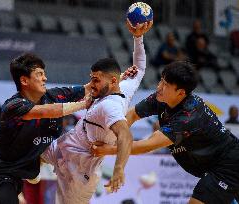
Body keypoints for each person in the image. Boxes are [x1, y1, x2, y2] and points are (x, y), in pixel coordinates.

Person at [92, 61, 239, 204]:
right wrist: (110, 137)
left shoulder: (188, 117)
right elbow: (131, 115)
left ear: (181, 93)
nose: (159, 87)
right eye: (161, 80)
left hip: (228, 164)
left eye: (166, 85)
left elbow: (148, 145)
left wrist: (109, 149)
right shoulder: (161, 97)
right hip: (210, 165)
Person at [41, 20, 153, 204]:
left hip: (80, 170)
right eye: (91, 79)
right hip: (67, 143)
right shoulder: (123, 86)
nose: (91, 85)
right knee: (28, 147)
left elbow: (125, 135)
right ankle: (31, 173)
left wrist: (118, 169)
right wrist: (138, 37)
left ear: (113, 81)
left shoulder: (111, 106)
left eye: (96, 80)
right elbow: (140, 67)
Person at [0, 53, 93, 204]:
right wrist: (83, 104)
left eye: (44, 73)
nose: (45, 78)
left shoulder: (55, 96)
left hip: (15, 177)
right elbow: (44, 111)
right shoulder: (13, 106)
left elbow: (89, 88)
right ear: (24, 80)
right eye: (39, 74)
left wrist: (122, 77)